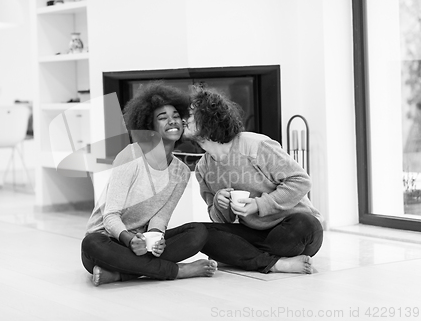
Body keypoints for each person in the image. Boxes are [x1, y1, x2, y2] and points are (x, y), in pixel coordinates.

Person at [81, 82, 217, 286]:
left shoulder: (180, 171)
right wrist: (129, 240)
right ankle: (176, 271)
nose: (172, 121)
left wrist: (156, 239)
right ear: (149, 127)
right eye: (162, 118)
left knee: (198, 232)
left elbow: (161, 217)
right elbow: (110, 216)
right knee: (91, 243)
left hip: (145, 244)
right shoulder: (131, 156)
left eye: (175, 116)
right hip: (111, 241)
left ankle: (123, 274)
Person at [182, 87, 324, 274]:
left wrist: (258, 205)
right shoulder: (203, 168)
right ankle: (276, 264)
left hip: (294, 230)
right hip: (257, 234)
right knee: (199, 232)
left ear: (209, 118)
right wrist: (219, 203)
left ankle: (239, 257)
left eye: (191, 114)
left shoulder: (255, 145)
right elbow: (220, 220)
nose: (184, 119)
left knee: (304, 224)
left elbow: (301, 181)